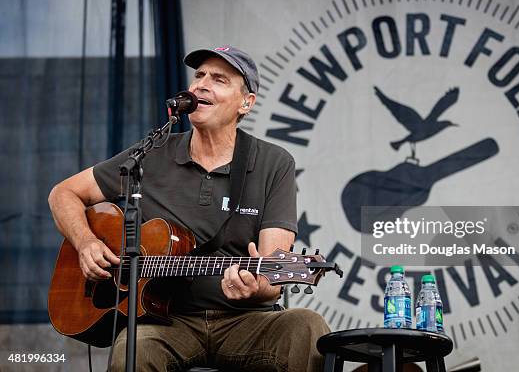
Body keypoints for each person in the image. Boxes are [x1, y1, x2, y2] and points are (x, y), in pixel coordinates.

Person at [48, 46, 330, 371]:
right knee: (134, 350)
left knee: (306, 326)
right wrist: (86, 242)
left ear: (246, 103)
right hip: (167, 321)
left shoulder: (273, 163)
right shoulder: (151, 154)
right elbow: (63, 193)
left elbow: (272, 277)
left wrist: (258, 289)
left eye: (219, 79)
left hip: (246, 322)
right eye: (199, 76)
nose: (201, 85)